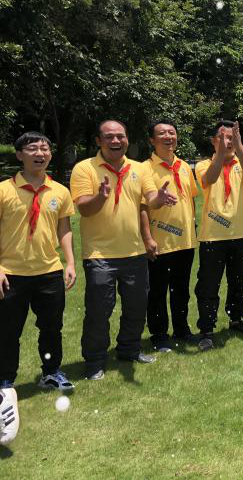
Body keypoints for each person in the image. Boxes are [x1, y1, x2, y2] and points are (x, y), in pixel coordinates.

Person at [71, 120, 177, 380]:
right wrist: (100, 197)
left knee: (136, 307)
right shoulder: (84, 168)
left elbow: (149, 199)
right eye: (109, 137)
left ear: (127, 139)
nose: (116, 141)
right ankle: (95, 361)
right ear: (99, 141)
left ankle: (129, 350)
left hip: (134, 252)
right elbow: (84, 208)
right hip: (100, 255)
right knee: (99, 311)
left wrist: (159, 199)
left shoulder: (139, 168)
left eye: (121, 136)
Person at [0, 132, 76, 397]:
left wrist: (70, 262)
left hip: (49, 271)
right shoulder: (4, 190)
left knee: (51, 327)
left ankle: (51, 371)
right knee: (8, 331)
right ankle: (5, 381)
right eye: (33, 149)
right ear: (19, 155)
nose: (40, 153)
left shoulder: (60, 191)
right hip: (11, 273)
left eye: (45, 149)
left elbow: (64, 229)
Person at [194, 120, 243, 351]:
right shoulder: (204, 165)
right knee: (209, 284)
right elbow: (209, 179)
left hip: (241, 233)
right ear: (214, 141)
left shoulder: (242, 162)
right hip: (213, 235)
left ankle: (236, 319)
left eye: (232, 137)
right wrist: (221, 154)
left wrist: (239, 148)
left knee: (240, 280)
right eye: (223, 137)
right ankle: (206, 329)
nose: (228, 142)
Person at [140, 119, 200, 352]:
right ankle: (159, 334)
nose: (168, 137)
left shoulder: (183, 166)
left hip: (185, 241)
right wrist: (147, 238)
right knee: (157, 291)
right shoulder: (144, 169)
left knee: (181, 289)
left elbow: (191, 199)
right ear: (151, 140)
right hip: (159, 241)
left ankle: (182, 329)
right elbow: (142, 206)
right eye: (162, 133)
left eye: (172, 132)